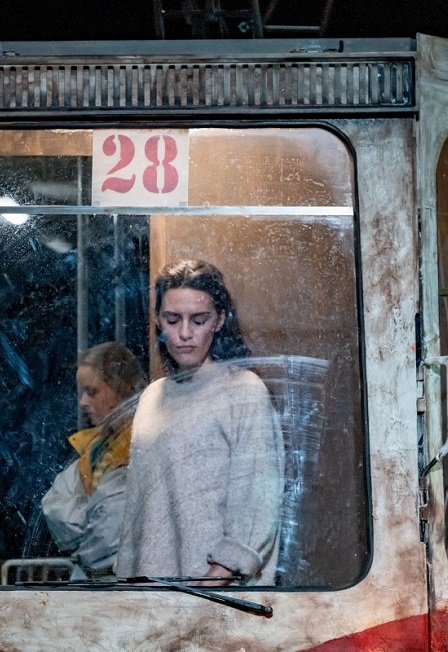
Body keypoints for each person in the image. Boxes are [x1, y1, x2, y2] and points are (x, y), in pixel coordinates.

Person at [117, 260, 284, 586]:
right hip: (149, 595)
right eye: (172, 319)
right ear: (157, 319)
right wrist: (128, 586)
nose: (184, 333)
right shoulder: (151, 397)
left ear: (219, 319)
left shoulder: (243, 391)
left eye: (199, 320)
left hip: (212, 597)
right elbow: (137, 513)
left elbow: (257, 503)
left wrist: (208, 586)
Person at [41, 341, 146, 577]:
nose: (83, 402)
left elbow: (109, 535)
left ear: (122, 389)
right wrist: (95, 514)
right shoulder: (94, 446)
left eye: (92, 391)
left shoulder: (142, 445)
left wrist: (87, 517)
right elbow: (52, 507)